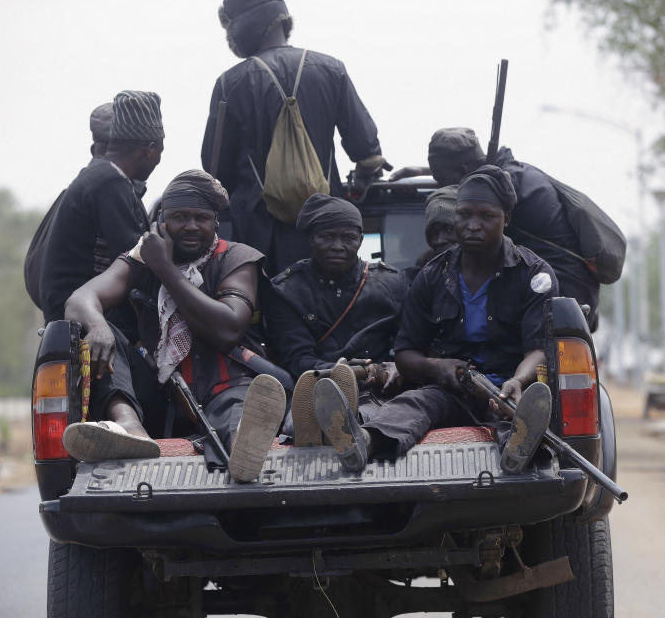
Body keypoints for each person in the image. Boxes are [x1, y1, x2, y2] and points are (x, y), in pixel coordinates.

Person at [313, 166, 558, 474]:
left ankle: (518, 451)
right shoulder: (432, 275)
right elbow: (405, 352)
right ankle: (361, 441)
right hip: (451, 393)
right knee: (413, 404)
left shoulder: (534, 273)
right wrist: (438, 368)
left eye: (486, 216)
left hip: (509, 393)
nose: (473, 225)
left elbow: (539, 348)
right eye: (464, 215)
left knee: (523, 417)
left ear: (506, 218)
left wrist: (517, 382)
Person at [60, 170, 286, 483]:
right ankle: (130, 429)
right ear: (163, 222)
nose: (191, 226)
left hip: (227, 387)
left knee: (240, 411)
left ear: (215, 222)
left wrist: (165, 268)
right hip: (163, 394)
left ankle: (244, 450)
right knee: (103, 335)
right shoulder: (142, 258)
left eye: (201, 217)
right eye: (180, 217)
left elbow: (228, 328)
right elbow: (80, 300)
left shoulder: (236, 257)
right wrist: (98, 326)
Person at [201, 0, 386, 276]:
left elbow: (216, 169)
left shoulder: (230, 82)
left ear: (242, 25)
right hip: (326, 230)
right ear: (282, 18)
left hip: (260, 234)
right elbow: (366, 152)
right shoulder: (331, 69)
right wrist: (361, 183)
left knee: (268, 312)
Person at [391, 127, 601, 331]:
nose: (440, 184)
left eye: (441, 178)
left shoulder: (503, 192)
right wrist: (420, 171)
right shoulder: (515, 173)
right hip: (571, 300)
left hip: (556, 300)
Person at [263, 194, 408, 444]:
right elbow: (297, 359)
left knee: (370, 419)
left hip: (378, 392)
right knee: (298, 425)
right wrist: (351, 372)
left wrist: (398, 366)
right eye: (327, 237)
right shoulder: (286, 290)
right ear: (311, 238)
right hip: (312, 388)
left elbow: (409, 344)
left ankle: (341, 426)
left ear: (361, 240)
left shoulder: (392, 284)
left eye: (348, 238)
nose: (338, 246)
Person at [39, 91, 162, 331]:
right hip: (83, 317)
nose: (159, 160)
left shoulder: (100, 173)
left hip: (75, 312)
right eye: (160, 151)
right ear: (149, 149)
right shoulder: (110, 182)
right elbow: (137, 259)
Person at [402, 186, 459, 284]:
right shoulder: (425, 270)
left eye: (449, 230)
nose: (440, 240)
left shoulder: (488, 266)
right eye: (434, 233)